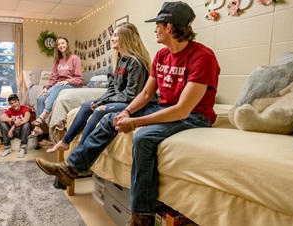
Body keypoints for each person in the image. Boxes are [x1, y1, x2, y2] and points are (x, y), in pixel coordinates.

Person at [35, 2, 220, 225]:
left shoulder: (202, 57)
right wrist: (126, 112)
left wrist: (135, 123)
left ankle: (141, 215)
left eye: (158, 25)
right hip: (164, 107)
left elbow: (182, 109)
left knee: (143, 137)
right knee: (109, 118)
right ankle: (70, 168)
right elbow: (143, 95)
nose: (155, 30)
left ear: (169, 27)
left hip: (194, 116)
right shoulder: (162, 56)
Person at [47, 22, 154, 153]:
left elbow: (131, 94)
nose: (112, 39)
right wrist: (99, 100)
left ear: (125, 38)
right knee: (87, 105)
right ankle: (65, 141)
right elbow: (111, 89)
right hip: (122, 100)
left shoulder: (135, 62)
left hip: (134, 103)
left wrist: (103, 103)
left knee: (100, 110)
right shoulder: (117, 62)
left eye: (115, 35)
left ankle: (80, 152)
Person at [30, 36, 83, 137]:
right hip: (60, 85)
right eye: (58, 44)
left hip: (73, 85)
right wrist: (46, 88)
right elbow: (53, 78)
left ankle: (44, 114)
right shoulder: (57, 60)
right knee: (40, 98)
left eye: (63, 43)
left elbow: (79, 79)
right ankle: (37, 129)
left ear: (67, 44)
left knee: (59, 85)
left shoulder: (75, 58)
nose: (61, 46)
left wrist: (67, 81)